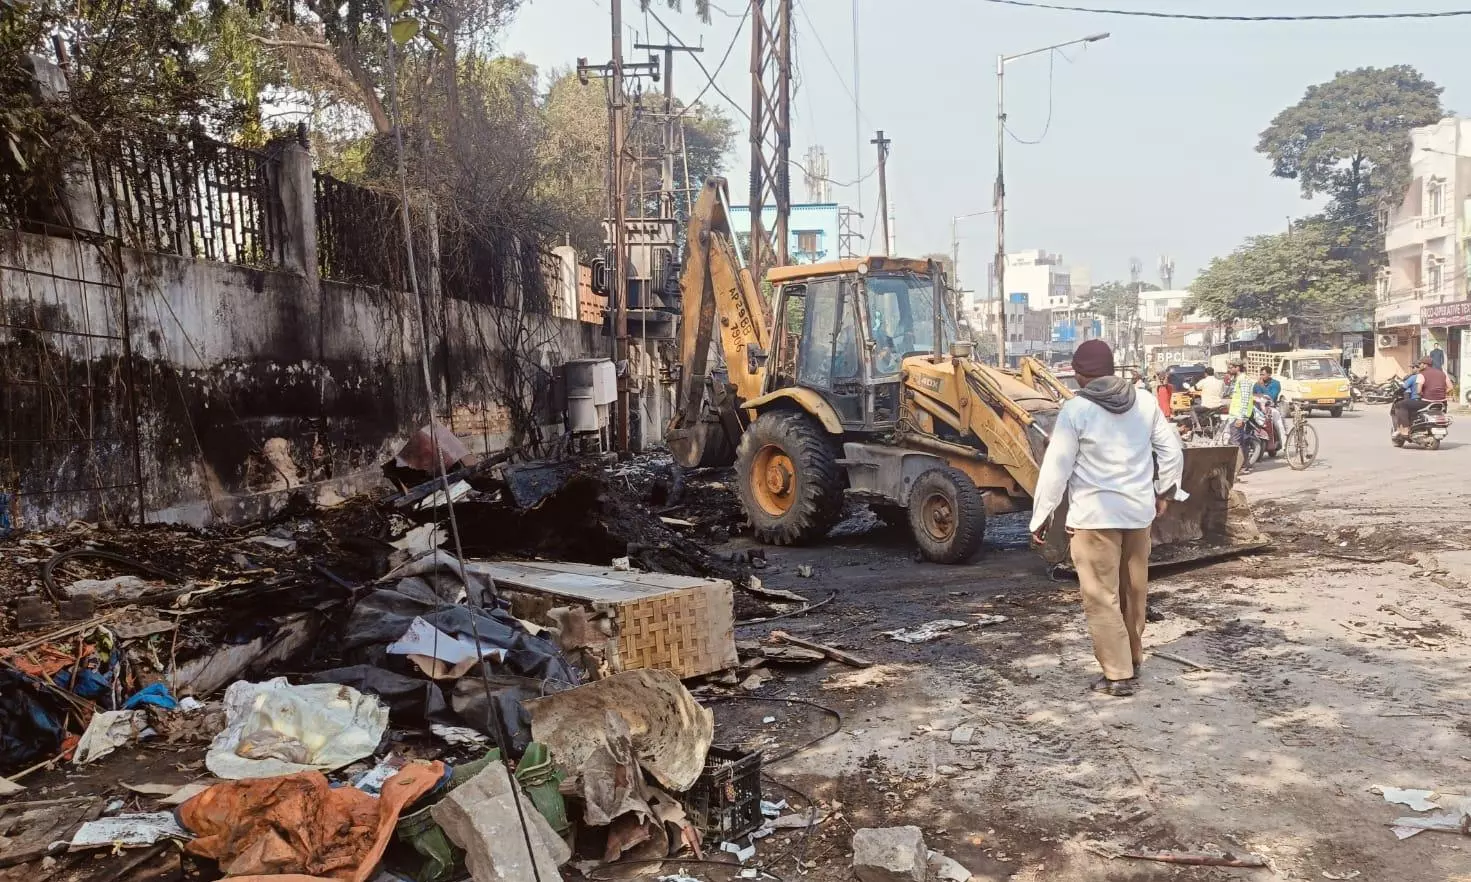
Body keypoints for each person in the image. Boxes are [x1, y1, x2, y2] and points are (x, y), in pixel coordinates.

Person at [1029, 339, 1188, 697]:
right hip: (1138, 514)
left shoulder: (1076, 410)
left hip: (1094, 519)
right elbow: (1172, 451)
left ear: (1080, 375)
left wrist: (1041, 516)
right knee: (1134, 591)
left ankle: (1118, 675)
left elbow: (1056, 469)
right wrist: (1165, 492)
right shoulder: (1144, 402)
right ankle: (1132, 657)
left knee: (1101, 597)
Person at [1395, 356, 1449, 436]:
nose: (1419, 366)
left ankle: (1405, 429)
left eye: (1420, 364)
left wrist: (1423, 394)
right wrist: (1442, 394)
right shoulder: (1442, 373)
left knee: (1402, 404)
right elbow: (1450, 387)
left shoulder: (1422, 374)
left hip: (1427, 402)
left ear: (1425, 365)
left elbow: (1418, 391)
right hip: (1442, 403)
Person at [1225, 361, 1256, 474]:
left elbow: (1245, 399)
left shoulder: (1243, 380)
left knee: (1235, 443)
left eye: (1231, 367)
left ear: (1237, 368)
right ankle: (1245, 465)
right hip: (1235, 414)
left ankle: (1238, 468)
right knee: (1241, 442)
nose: (1229, 369)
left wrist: (1240, 417)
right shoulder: (1238, 379)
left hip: (1238, 415)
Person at [1254, 367, 1286, 449]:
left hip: (1271, 408)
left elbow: (1272, 396)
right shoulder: (1257, 384)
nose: (1261, 376)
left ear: (1269, 374)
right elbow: (1253, 395)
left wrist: (1262, 386)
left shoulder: (1276, 384)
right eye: (1260, 374)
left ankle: (1285, 445)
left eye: (1263, 374)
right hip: (1258, 408)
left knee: (1279, 425)